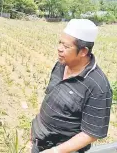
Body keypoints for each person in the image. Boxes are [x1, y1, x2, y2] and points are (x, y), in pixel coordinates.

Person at [31, 19, 113, 153]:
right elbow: (49, 97)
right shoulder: (61, 65)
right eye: (60, 43)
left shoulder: (98, 86)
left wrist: (55, 151)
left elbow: (90, 134)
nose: (59, 48)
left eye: (66, 46)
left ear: (83, 51)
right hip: (38, 142)